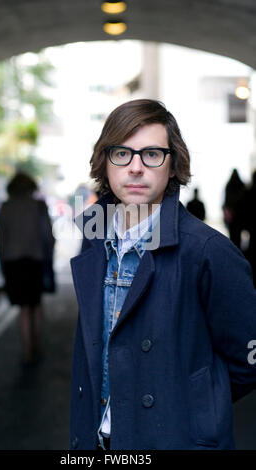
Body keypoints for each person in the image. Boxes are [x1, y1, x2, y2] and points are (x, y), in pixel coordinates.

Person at [69, 99, 256, 450]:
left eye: (152, 154)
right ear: (105, 163)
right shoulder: (93, 241)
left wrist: (194, 404)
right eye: (122, 154)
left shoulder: (206, 250)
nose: (136, 167)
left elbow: (247, 358)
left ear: (173, 166)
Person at [0, 172, 55, 365]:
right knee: (36, 305)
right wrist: (49, 258)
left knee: (23, 308)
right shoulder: (38, 206)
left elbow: (1, 240)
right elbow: (48, 236)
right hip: (35, 260)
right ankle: (36, 345)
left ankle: (27, 350)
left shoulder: (6, 207)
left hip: (13, 262)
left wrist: (2, 264)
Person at [223, 169, 246, 249]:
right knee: (238, 235)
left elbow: (226, 202)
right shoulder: (242, 186)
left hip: (231, 217)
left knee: (232, 235)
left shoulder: (228, 186)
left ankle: (233, 250)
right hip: (239, 216)